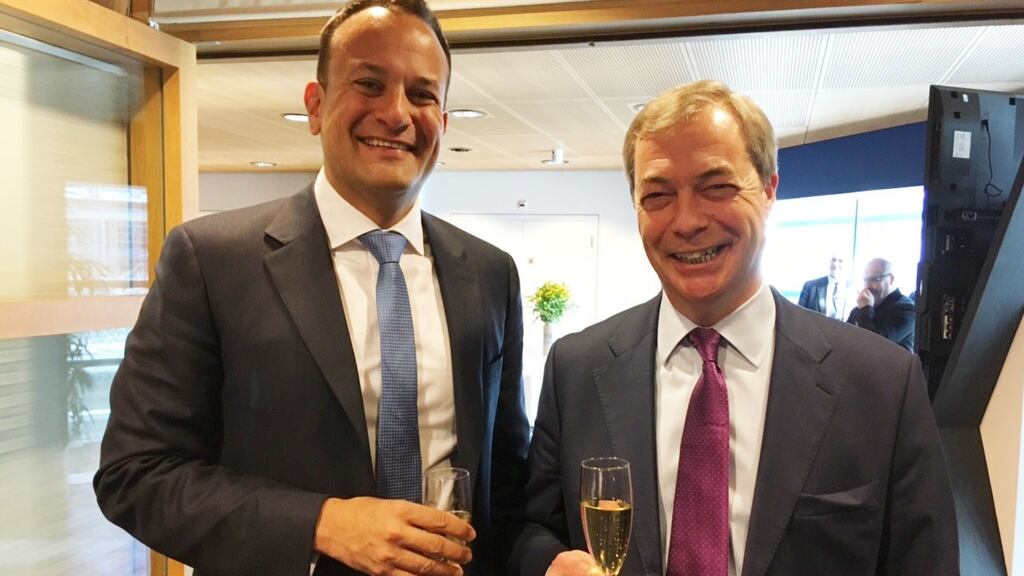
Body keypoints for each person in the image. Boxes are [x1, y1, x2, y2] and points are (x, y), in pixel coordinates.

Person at [93, 2, 530, 576]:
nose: (396, 113)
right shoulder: (212, 261)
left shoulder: (490, 274)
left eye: (422, 94)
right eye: (369, 84)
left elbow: (508, 477)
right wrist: (322, 524)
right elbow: (135, 473)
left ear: (443, 122)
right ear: (316, 106)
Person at [509, 81, 957, 576]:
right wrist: (547, 563)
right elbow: (533, 529)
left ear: (769, 190)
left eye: (716, 187)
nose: (686, 221)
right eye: (657, 195)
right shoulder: (577, 369)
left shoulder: (881, 384)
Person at [847, 257, 916, 351]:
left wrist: (865, 309)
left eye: (874, 279)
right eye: (865, 280)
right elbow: (843, 340)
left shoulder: (907, 310)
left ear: (891, 279)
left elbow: (874, 346)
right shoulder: (860, 309)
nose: (867, 286)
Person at [797, 254, 847, 319]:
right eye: (833, 260)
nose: (835, 264)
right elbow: (799, 314)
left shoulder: (850, 291)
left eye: (840, 261)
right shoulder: (810, 287)